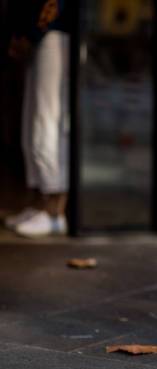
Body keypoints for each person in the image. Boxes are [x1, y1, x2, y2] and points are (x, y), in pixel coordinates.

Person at [4, 0, 71, 238]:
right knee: (32, 121)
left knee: (47, 120)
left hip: (53, 32)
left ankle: (55, 212)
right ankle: (38, 204)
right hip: (39, 32)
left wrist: (31, 33)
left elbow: (54, 2)